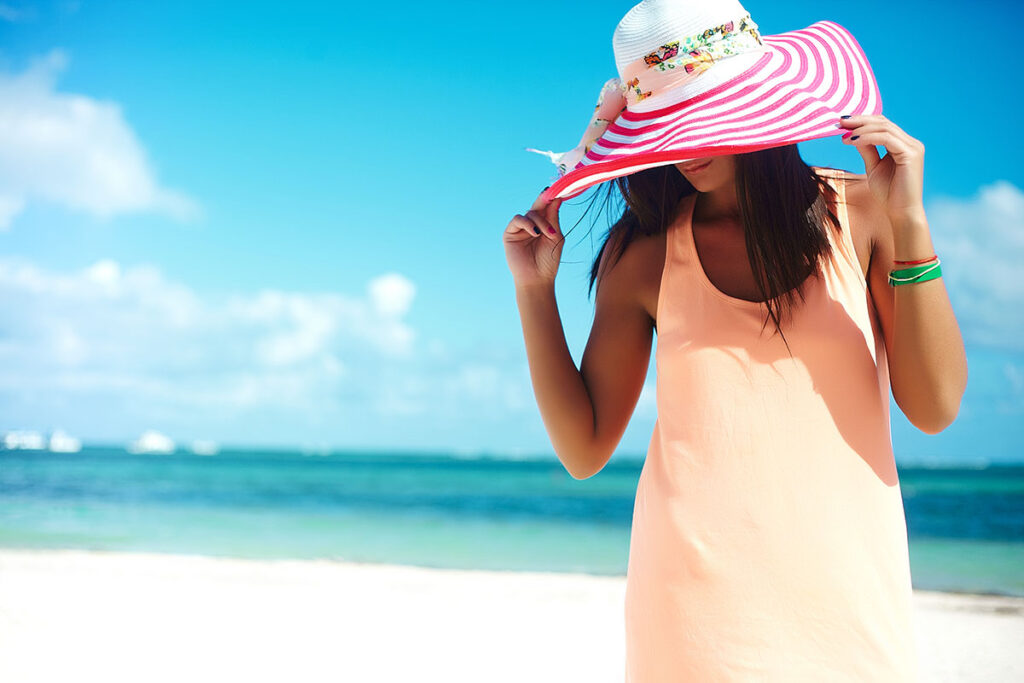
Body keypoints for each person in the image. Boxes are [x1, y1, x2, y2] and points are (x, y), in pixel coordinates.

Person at [503, 1, 967, 680]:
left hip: (849, 604)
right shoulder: (646, 253)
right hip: (690, 614)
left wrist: (913, 222)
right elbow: (584, 448)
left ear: (757, 101)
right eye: (664, 126)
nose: (684, 145)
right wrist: (534, 291)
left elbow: (934, 407)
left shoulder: (866, 212)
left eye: (701, 117)